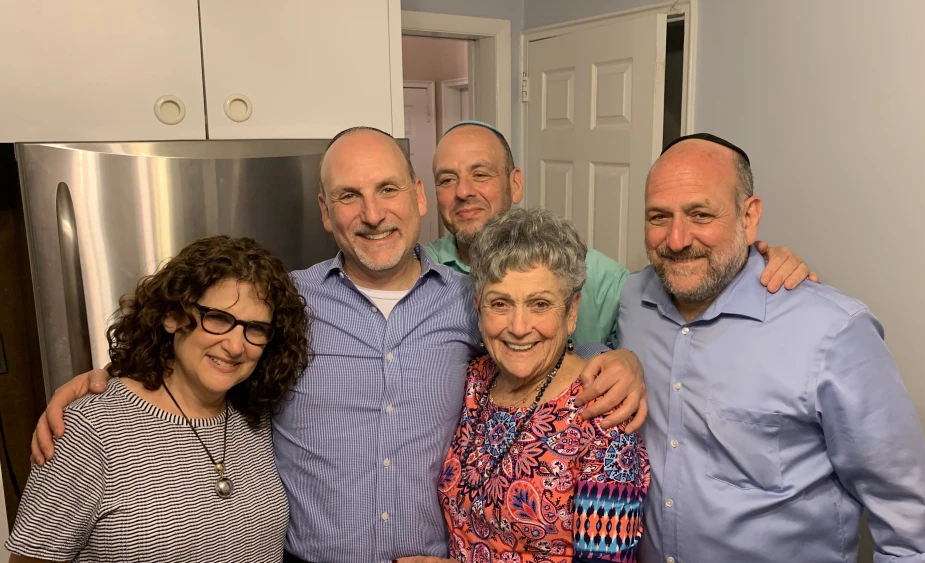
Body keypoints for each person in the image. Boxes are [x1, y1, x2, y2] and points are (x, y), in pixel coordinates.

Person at [31, 127, 648, 563]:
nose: (372, 214)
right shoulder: (285, 302)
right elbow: (210, 346)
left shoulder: (468, 301)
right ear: (326, 213)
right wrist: (103, 380)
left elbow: (540, 346)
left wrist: (619, 360)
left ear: (417, 197)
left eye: (387, 190)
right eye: (349, 197)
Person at [618, 133, 925, 563]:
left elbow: (912, 529)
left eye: (700, 214)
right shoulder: (631, 301)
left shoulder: (832, 332)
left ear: (749, 217)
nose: (676, 239)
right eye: (658, 217)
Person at [4, 235, 310, 562]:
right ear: (172, 316)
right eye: (218, 318)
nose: (236, 346)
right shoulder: (88, 430)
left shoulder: (258, 416)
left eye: (256, 328)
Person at [424, 120, 818, 346]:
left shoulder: (606, 281)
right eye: (447, 179)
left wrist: (757, 260)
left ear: (515, 183)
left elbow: (690, 290)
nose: (463, 192)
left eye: (481, 174)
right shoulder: (420, 273)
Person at [439, 208, 650, 561]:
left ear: (571, 312)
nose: (519, 327)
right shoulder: (473, 381)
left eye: (540, 304)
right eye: (500, 303)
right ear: (478, 308)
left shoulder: (603, 414)